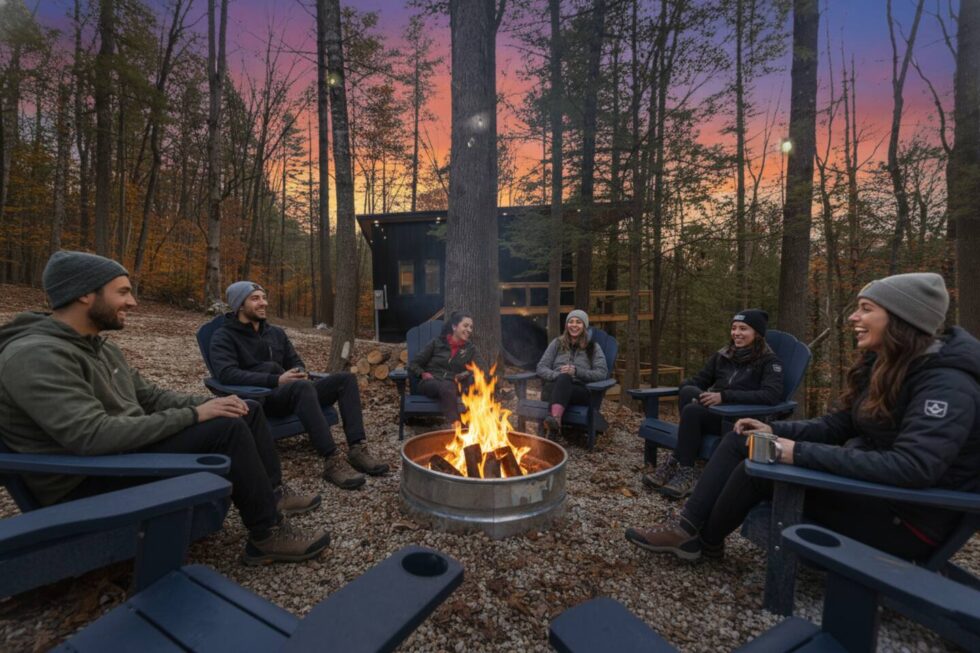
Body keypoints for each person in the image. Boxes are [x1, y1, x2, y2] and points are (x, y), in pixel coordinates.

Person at [0, 251, 330, 566]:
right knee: (226, 429)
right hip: (88, 479)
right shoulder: (35, 356)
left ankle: (271, 495)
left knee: (245, 407)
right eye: (123, 292)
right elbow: (91, 436)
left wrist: (210, 403)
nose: (133, 301)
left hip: (123, 451)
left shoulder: (99, 348)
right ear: (85, 294)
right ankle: (266, 535)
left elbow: (152, 397)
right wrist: (194, 415)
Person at [625, 272, 980, 563]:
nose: (853, 318)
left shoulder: (947, 383)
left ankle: (704, 540)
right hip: (869, 490)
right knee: (745, 439)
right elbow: (837, 425)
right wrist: (772, 429)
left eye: (866, 309)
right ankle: (689, 530)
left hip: (906, 519)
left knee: (765, 466)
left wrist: (795, 452)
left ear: (903, 319)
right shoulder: (886, 363)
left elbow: (913, 467)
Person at [209, 281, 388, 491]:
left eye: (264, 297)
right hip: (263, 399)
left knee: (345, 379)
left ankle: (357, 449)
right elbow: (226, 373)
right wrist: (275, 379)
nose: (263, 303)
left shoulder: (275, 333)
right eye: (255, 298)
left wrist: (298, 371)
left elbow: (295, 361)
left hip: (295, 393)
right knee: (302, 388)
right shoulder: (224, 336)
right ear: (239, 305)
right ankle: (331, 460)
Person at [643, 309, 784, 499]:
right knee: (688, 392)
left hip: (743, 422)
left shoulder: (769, 361)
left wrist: (725, 396)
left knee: (692, 411)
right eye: (734, 328)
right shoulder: (724, 355)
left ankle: (680, 464)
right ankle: (684, 468)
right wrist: (689, 387)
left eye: (743, 329)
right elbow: (701, 380)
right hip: (719, 416)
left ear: (757, 333)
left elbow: (771, 395)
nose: (736, 333)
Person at [535, 310, 609, 438]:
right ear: (566, 325)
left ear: (584, 326)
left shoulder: (593, 347)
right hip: (554, 386)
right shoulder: (557, 344)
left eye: (578, 322)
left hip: (579, 391)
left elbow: (602, 373)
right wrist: (556, 376)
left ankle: (554, 422)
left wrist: (577, 372)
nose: (574, 325)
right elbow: (541, 367)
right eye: (571, 322)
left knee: (565, 378)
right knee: (563, 378)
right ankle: (554, 425)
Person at [407, 311, 483, 427]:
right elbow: (414, 364)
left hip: (454, 385)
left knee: (451, 386)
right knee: (447, 386)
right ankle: (455, 424)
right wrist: (422, 373)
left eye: (471, 327)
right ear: (454, 326)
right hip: (431, 383)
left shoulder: (470, 349)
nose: (469, 330)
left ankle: (465, 426)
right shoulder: (437, 343)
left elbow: (483, 369)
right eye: (465, 326)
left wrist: (467, 373)